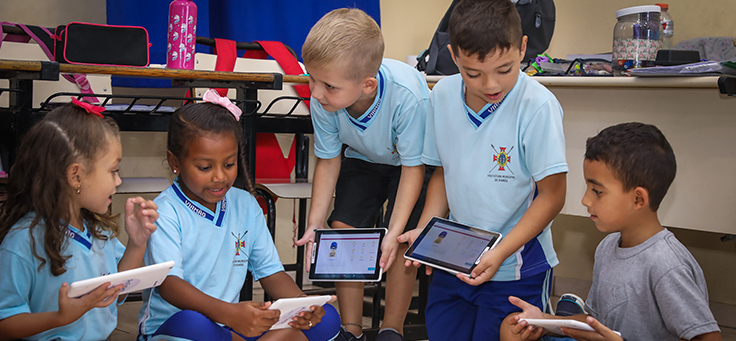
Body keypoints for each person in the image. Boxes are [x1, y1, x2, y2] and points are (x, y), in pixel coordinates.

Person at [398, 0, 568, 340]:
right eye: (472, 73)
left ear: (522, 48)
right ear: (454, 55)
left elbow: (552, 196)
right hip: (454, 260)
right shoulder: (442, 95)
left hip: (515, 270)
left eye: (505, 70)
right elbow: (444, 173)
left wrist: (500, 253)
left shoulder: (538, 106)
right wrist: (427, 229)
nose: (490, 84)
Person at [136, 89, 340, 341]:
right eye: (205, 167)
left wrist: (302, 305)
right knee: (192, 323)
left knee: (327, 318)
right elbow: (170, 286)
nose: (220, 176)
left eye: (229, 164)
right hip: (178, 328)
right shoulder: (164, 211)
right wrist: (231, 314)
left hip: (232, 327)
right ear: (174, 161)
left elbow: (271, 273)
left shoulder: (246, 204)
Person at [500, 122, 722, 341]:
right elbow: (596, 322)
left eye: (597, 191)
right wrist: (544, 322)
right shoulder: (607, 246)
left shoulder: (666, 265)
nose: (585, 200)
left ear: (638, 199)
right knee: (510, 329)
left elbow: (709, 338)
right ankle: (564, 311)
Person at [294, 8, 431, 341]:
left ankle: (391, 329)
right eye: (311, 79)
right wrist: (315, 221)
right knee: (344, 228)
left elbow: (415, 168)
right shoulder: (324, 98)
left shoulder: (408, 97)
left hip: (409, 165)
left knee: (399, 242)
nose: (315, 92)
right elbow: (328, 161)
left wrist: (395, 228)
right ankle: (351, 328)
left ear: (367, 84)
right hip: (362, 157)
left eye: (327, 85)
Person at [0, 100, 158, 340]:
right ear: (76, 176)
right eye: (113, 171)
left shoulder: (98, 230)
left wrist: (138, 243)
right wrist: (60, 318)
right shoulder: (23, 241)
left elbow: (117, 292)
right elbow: (5, 323)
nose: (118, 181)